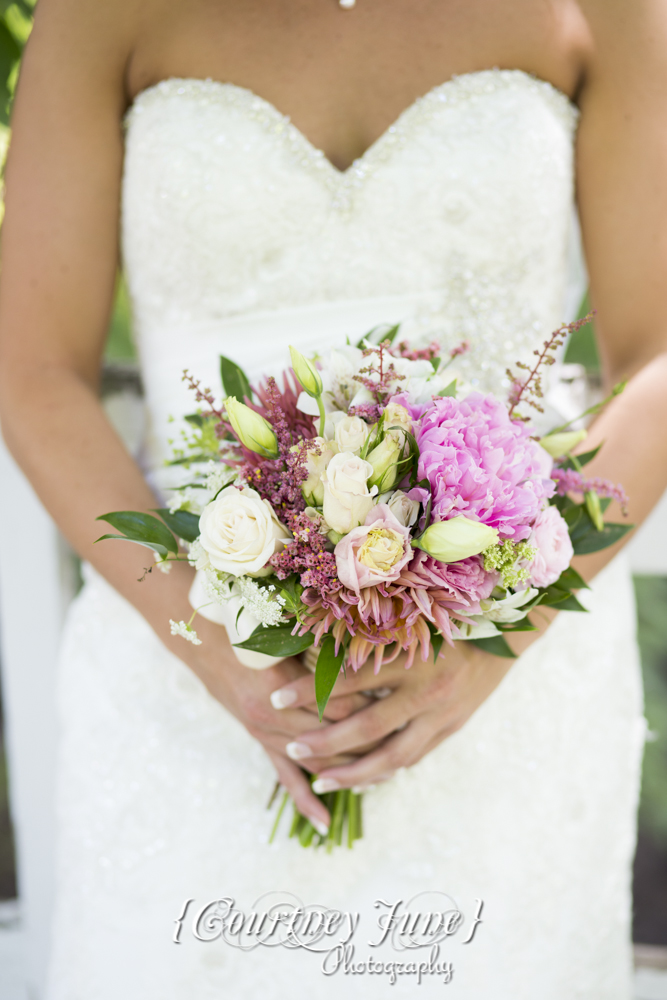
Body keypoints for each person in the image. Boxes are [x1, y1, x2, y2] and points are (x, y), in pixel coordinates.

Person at [1, 0, 666, 996]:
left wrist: (493, 638)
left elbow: (657, 356)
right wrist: (212, 646)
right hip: (186, 679)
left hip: (508, 699)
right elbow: (31, 368)